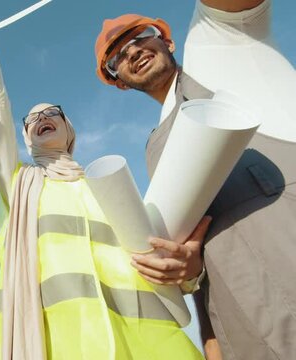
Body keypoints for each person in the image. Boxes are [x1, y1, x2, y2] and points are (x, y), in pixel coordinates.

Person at [0, 0, 209, 359]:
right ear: (25, 138)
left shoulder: (109, 186)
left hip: (144, 337)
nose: (41, 117)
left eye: (52, 113)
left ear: (68, 129)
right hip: (55, 339)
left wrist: (189, 273)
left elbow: (157, 252)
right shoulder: (18, 182)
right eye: (31, 119)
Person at [95, 0, 296, 359]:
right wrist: (189, 272)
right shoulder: (155, 148)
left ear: (167, 41)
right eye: (117, 56)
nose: (134, 50)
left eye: (141, 36)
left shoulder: (223, 53)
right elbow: (190, 259)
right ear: (118, 81)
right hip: (245, 329)